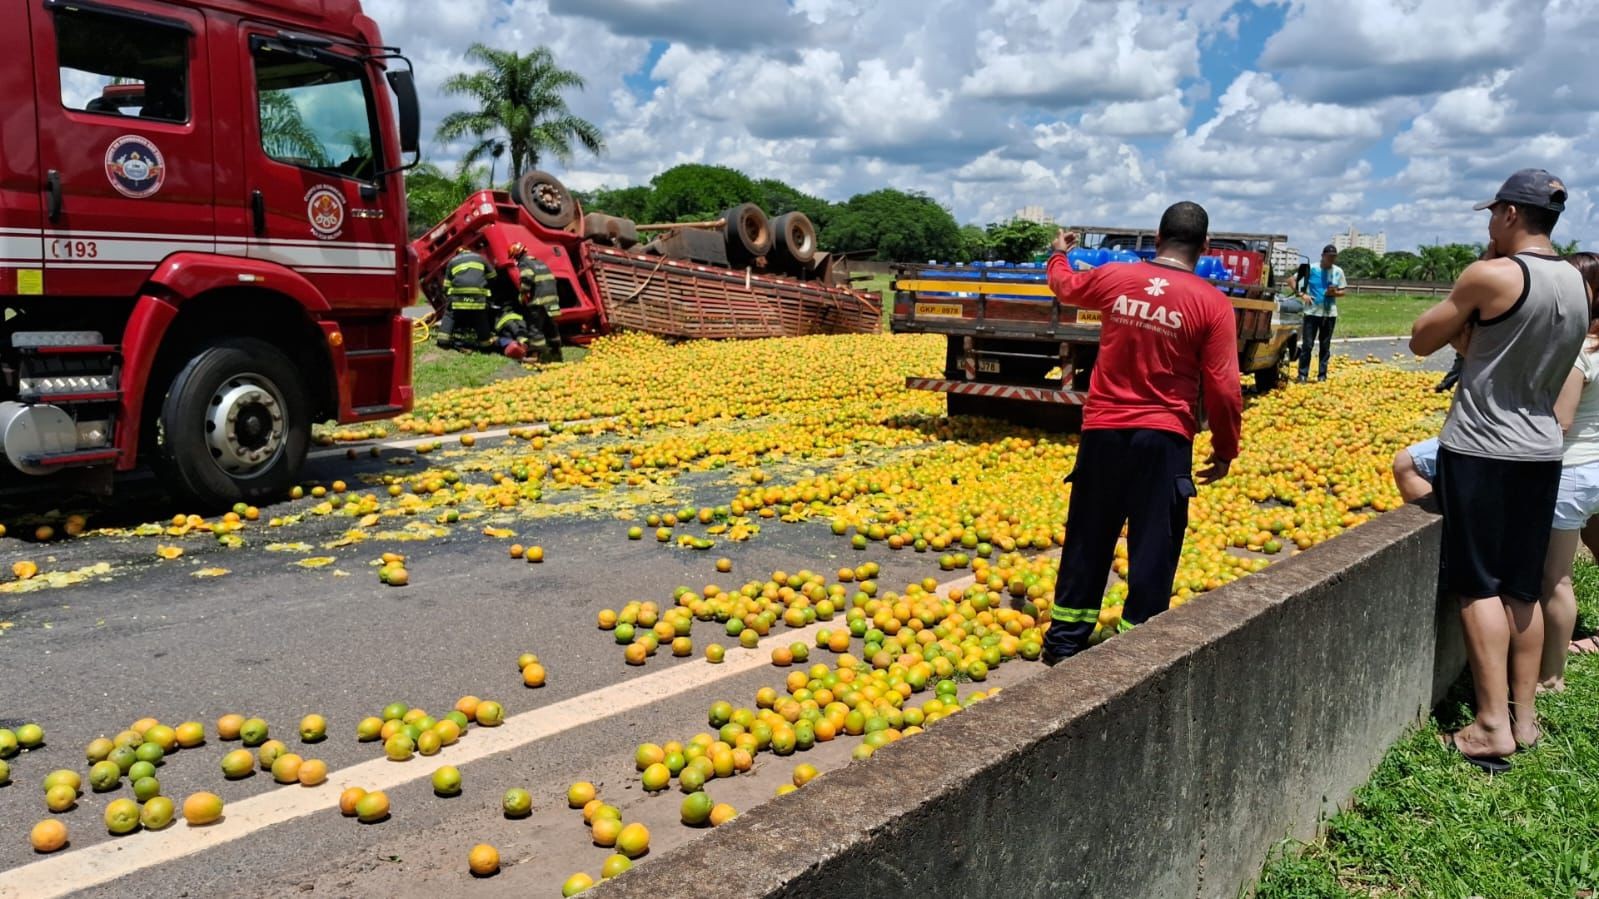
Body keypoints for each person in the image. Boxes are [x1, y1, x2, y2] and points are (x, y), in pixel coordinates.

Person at [1409, 168, 1587, 772]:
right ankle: (1525, 718)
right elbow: (1489, 348)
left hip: (1483, 448)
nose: (1489, 224)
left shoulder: (1492, 274)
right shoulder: (1576, 282)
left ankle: (1489, 726)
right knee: (1521, 587)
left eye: (1493, 214)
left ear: (1510, 214)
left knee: (1478, 585)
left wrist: (1488, 260)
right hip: (1542, 449)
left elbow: (1420, 339)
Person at [1039, 202, 1244, 665]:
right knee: (1154, 547)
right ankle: (1139, 657)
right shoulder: (1212, 304)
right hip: (1165, 440)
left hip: (1104, 433)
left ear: (1157, 238)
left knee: (1088, 538)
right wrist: (1226, 448)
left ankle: (1064, 645)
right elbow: (1225, 390)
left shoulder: (1117, 277)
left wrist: (1057, 254)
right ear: (1205, 246)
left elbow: (1064, 287)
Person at [1538, 252, 1599, 693]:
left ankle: (1551, 677)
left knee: (1555, 578)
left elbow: (1560, 421)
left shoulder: (1580, 351)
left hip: (1573, 471)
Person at [1297, 245, 1347, 382]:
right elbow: (1292, 281)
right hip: (1311, 312)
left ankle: (1322, 375)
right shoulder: (1311, 268)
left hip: (1329, 314)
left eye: (1334, 257)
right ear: (1322, 255)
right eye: (1329, 256)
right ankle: (1302, 374)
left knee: (1325, 346)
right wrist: (1303, 295)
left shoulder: (1338, 271)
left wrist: (1334, 293)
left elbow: (1343, 291)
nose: (1331, 259)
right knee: (1307, 345)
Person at [510, 243, 564, 362]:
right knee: (551, 325)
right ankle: (556, 352)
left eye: (514, 257)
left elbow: (527, 278)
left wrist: (523, 293)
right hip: (552, 298)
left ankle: (535, 356)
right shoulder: (540, 262)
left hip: (539, 299)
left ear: (517, 255)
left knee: (535, 326)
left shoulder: (524, 263)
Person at [438, 248, 496, 349]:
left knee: (450, 315)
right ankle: (485, 343)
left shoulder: (452, 261)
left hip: (458, 298)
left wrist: (447, 296)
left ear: (458, 253)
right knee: (480, 317)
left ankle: (443, 340)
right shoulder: (481, 258)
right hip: (478, 297)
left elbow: (446, 285)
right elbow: (493, 276)